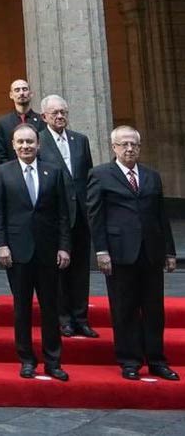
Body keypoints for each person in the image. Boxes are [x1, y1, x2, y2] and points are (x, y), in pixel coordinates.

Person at [88, 126, 179, 381]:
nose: (129, 149)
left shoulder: (151, 176)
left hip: (151, 252)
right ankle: (129, 360)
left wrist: (169, 251)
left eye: (134, 145)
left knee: (154, 309)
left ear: (139, 147)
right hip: (119, 253)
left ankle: (157, 360)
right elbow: (95, 215)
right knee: (124, 308)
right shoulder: (100, 175)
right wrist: (101, 250)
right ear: (114, 147)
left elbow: (161, 215)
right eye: (124, 144)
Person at [0, 124, 71, 381]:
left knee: (51, 307)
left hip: (48, 251)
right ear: (13, 145)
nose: (25, 146)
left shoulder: (54, 172)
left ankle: (53, 361)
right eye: (20, 142)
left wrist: (64, 246)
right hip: (17, 251)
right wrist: (1, 245)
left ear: (38, 144)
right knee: (21, 309)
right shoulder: (3, 172)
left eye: (30, 141)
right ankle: (26, 359)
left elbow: (62, 214)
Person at [38, 95, 97, 339]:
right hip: (54, 217)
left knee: (81, 268)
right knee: (58, 269)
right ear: (44, 117)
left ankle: (81, 318)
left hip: (81, 215)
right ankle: (63, 319)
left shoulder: (80, 140)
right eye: (55, 113)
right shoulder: (38, 141)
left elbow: (89, 176)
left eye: (63, 112)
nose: (60, 116)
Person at [0, 79, 46, 162]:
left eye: (24, 89)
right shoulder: (2, 123)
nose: (21, 93)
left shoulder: (43, 120)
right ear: (11, 95)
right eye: (17, 90)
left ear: (31, 93)